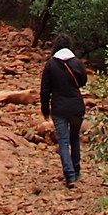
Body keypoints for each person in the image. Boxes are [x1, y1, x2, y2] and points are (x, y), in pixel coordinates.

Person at [40, 37, 88, 187]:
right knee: (75, 138)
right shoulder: (77, 63)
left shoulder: (51, 65)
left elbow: (45, 90)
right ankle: (77, 169)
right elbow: (83, 81)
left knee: (63, 141)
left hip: (59, 108)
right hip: (76, 106)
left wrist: (45, 109)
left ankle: (69, 175)